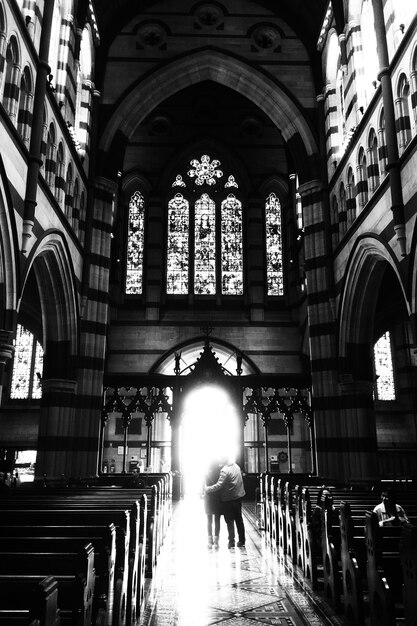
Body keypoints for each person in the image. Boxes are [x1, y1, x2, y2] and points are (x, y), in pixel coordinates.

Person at [205, 455, 246, 549]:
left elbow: (219, 485)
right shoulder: (236, 466)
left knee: (230, 521)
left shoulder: (224, 470)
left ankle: (231, 542)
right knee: (239, 520)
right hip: (238, 497)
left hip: (228, 499)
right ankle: (242, 540)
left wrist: (208, 489)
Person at [203, 460, 223, 549]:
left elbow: (203, 487)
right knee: (217, 519)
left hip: (208, 498)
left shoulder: (206, 473)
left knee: (209, 519)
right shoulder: (220, 472)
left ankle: (209, 541)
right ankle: (216, 541)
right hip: (218, 498)